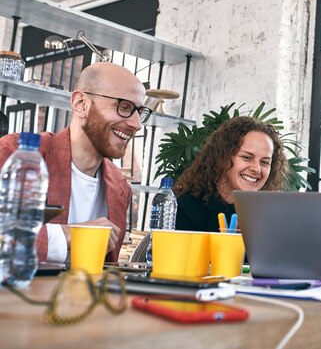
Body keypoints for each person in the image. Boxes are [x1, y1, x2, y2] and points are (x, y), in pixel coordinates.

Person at [0, 62, 151, 263]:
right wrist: (69, 235)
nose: (137, 124)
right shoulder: (15, 153)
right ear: (81, 104)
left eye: (139, 112)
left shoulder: (120, 188)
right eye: (124, 107)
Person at [174, 116, 288, 232]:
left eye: (264, 162)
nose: (257, 169)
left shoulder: (269, 213)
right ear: (223, 157)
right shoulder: (188, 208)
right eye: (247, 157)